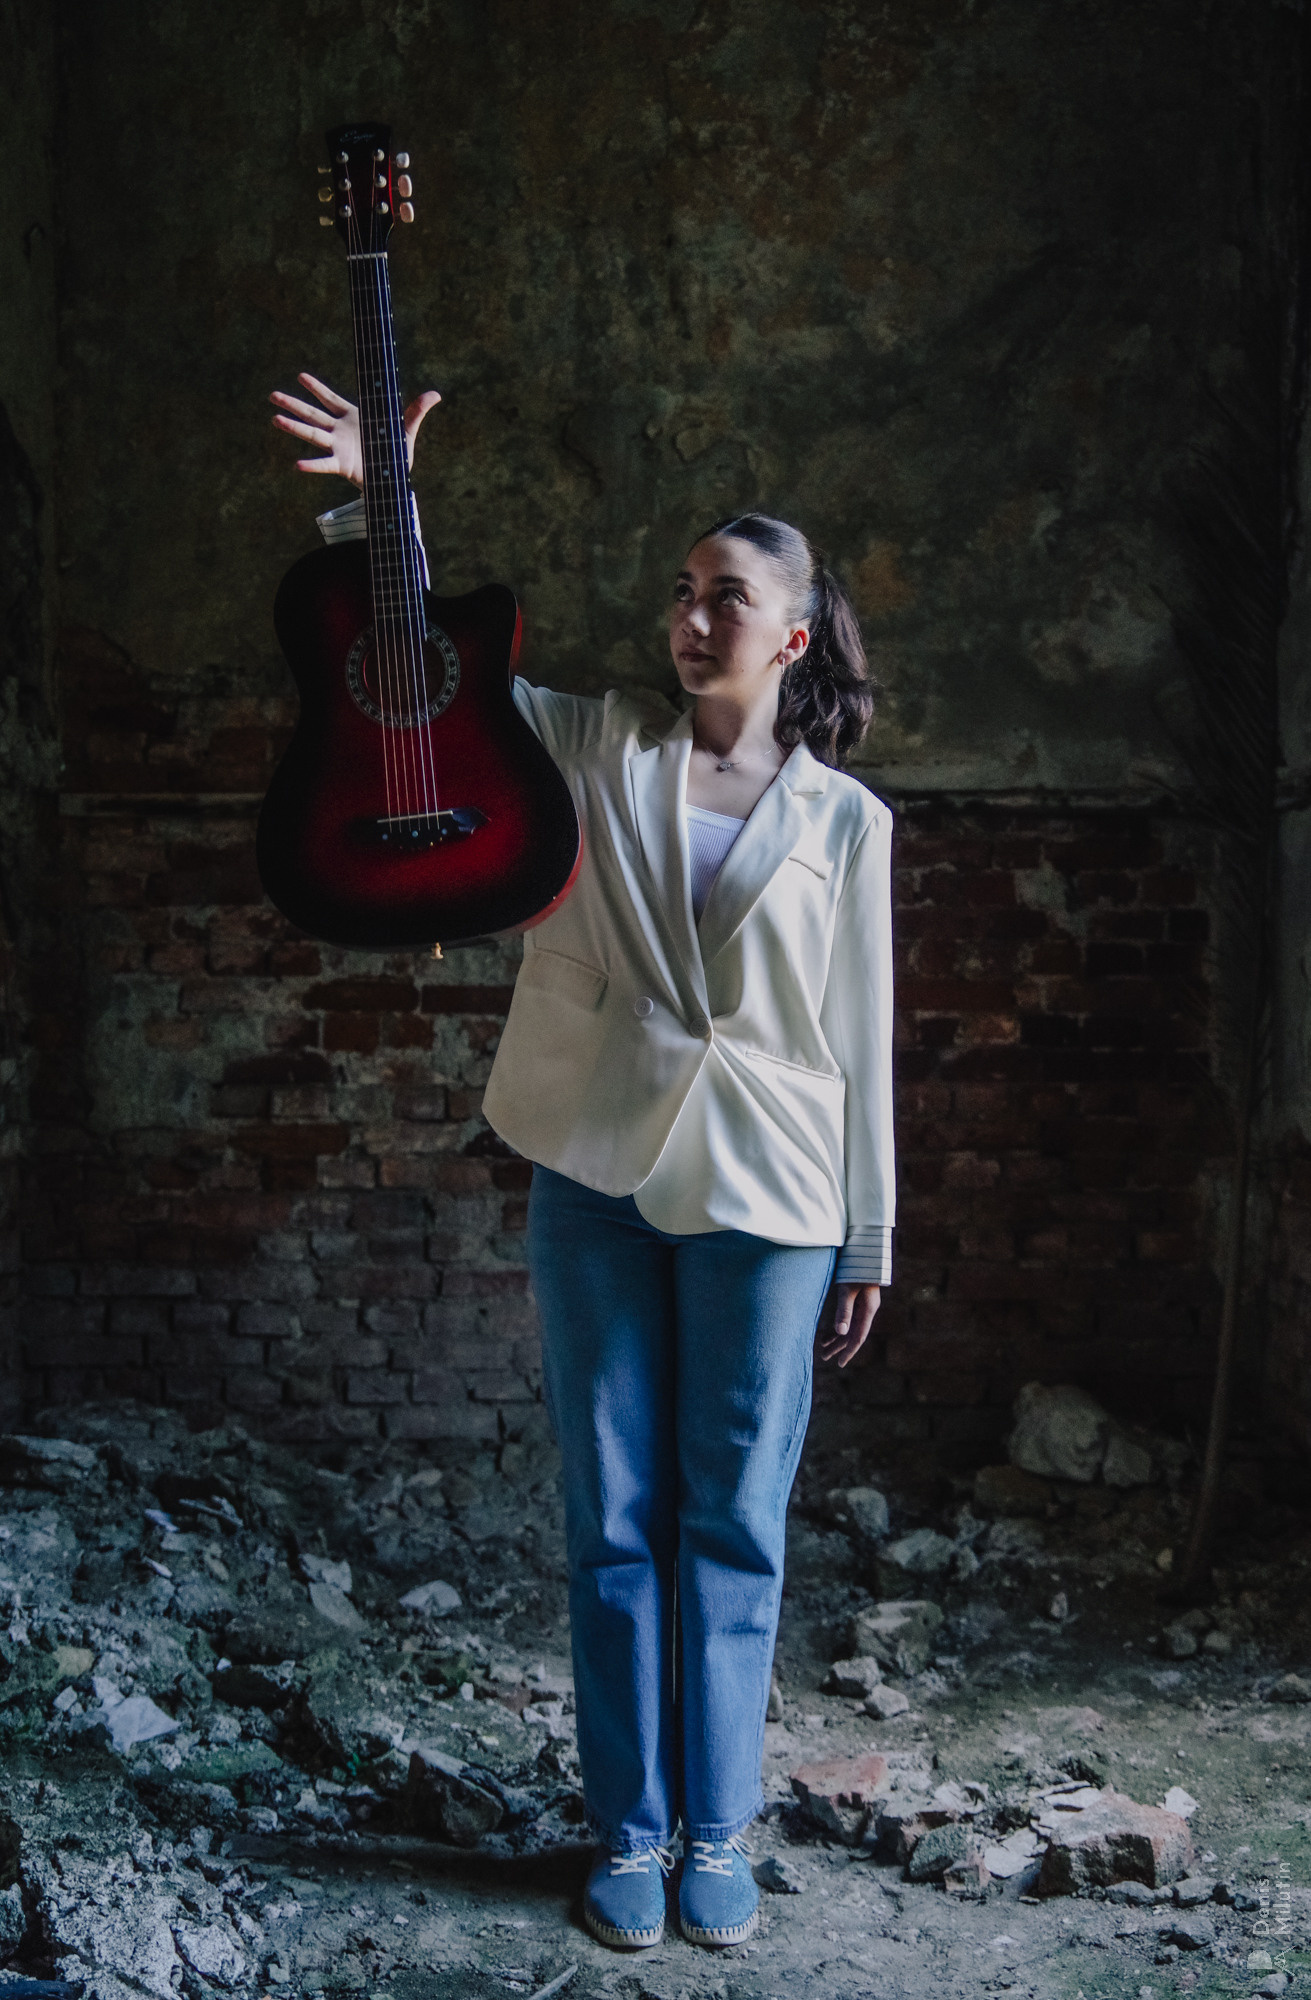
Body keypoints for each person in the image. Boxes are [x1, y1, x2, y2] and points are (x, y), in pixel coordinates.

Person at [271, 373, 895, 1952]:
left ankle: (718, 1828)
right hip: (594, 1170)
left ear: (793, 635)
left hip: (775, 1193)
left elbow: (861, 1040)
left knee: (732, 1521)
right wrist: (377, 514)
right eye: (682, 591)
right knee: (613, 1518)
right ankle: (628, 1828)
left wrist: (870, 1234)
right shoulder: (593, 743)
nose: (691, 616)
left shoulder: (847, 824)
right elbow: (418, 693)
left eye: (727, 597)